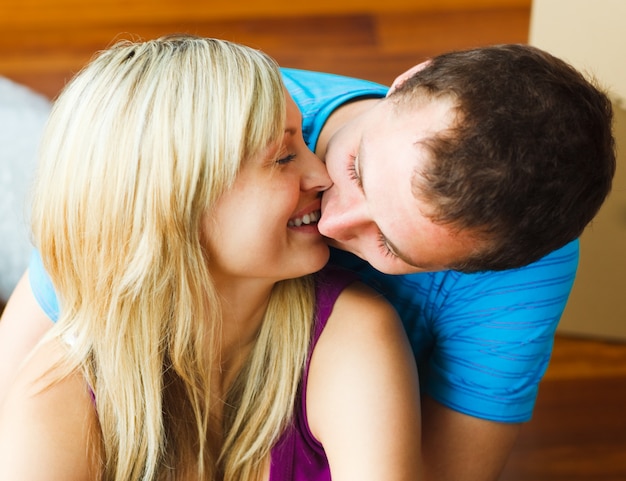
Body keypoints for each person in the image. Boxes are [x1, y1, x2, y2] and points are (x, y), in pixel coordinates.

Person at [0, 43, 616, 481]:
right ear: (408, 80)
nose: (330, 219)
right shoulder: (231, 115)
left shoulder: (499, 280)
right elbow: (33, 358)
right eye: (356, 171)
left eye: (391, 249)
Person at [0, 35, 422, 480]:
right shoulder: (56, 393)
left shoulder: (351, 332)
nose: (320, 176)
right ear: (179, 202)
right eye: (283, 157)